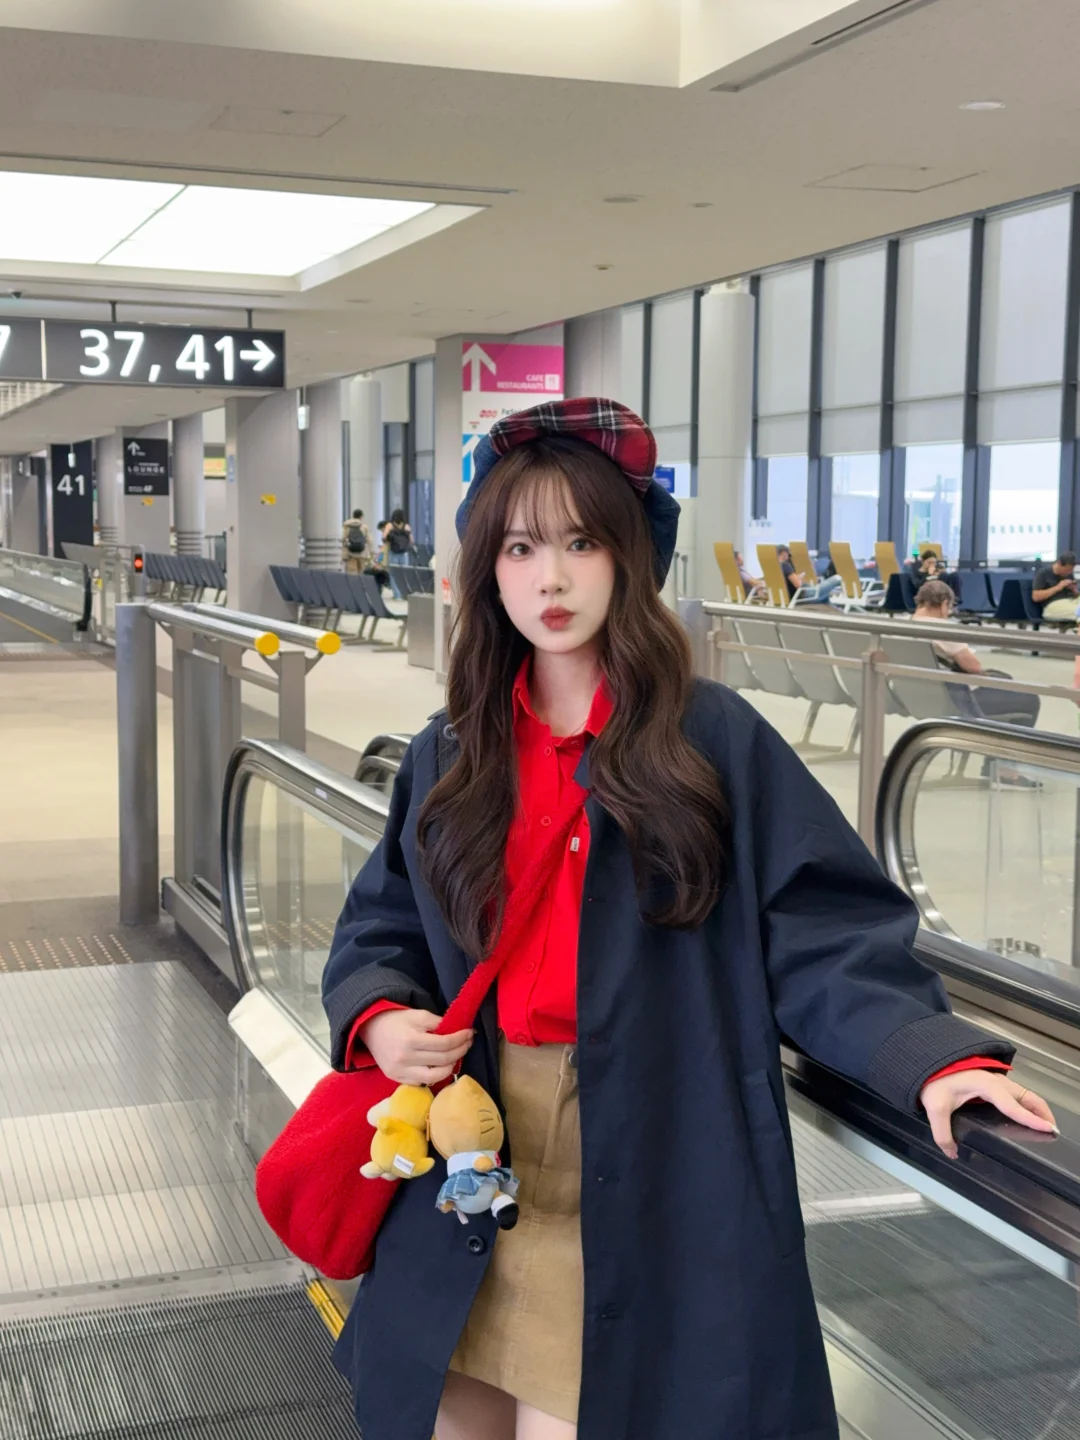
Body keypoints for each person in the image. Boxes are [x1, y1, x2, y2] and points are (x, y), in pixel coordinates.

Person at [322, 398, 1054, 1440]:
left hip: (650, 1153)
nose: (552, 578)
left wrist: (927, 1056)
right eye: (521, 547)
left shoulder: (709, 742)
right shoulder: (455, 752)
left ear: (630, 557)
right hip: (465, 1159)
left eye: (582, 542)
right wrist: (383, 1014)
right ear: (487, 569)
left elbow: (821, 929)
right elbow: (384, 922)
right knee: (444, 1410)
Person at [913, 579, 1040, 729]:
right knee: (1031, 699)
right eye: (950, 607)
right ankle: (1003, 742)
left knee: (1002, 678)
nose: (950, 612)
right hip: (956, 698)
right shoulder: (942, 628)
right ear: (944, 604)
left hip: (918, 695)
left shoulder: (901, 627)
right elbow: (974, 667)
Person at [777, 544, 843, 604]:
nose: (788, 558)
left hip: (796, 596)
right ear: (784, 553)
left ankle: (837, 610)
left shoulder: (776, 567)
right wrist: (798, 578)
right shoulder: (785, 565)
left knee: (825, 597)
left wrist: (796, 577)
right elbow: (798, 585)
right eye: (788, 555)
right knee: (838, 578)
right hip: (806, 595)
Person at [1032, 551, 1079, 621]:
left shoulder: (1068, 574)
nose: (1069, 572)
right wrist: (1058, 587)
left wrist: (1074, 590)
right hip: (1053, 605)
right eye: (1067, 570)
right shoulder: (1043, 573)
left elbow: (1076, 594)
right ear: (1059, 564)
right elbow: (1035, 597)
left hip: (1071, 601)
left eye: (1071, 570)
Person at [382, 508, 414, 597]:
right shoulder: (406, 526)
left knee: (393, 574)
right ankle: (404, 593)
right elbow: (412, 540)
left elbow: (384, 537)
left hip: (393, 552)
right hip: (404, 553)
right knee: (403, 574)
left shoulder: (390, 526)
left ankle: (397, 594)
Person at [342, 509, 372, 575]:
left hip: (350, 552)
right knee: (362, 572)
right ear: (361, 516)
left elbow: (343, 538)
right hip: (362, 552)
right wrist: (370, 552)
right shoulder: (364, 527)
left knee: (352, 573)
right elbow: (369, 540)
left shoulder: (346, 526)